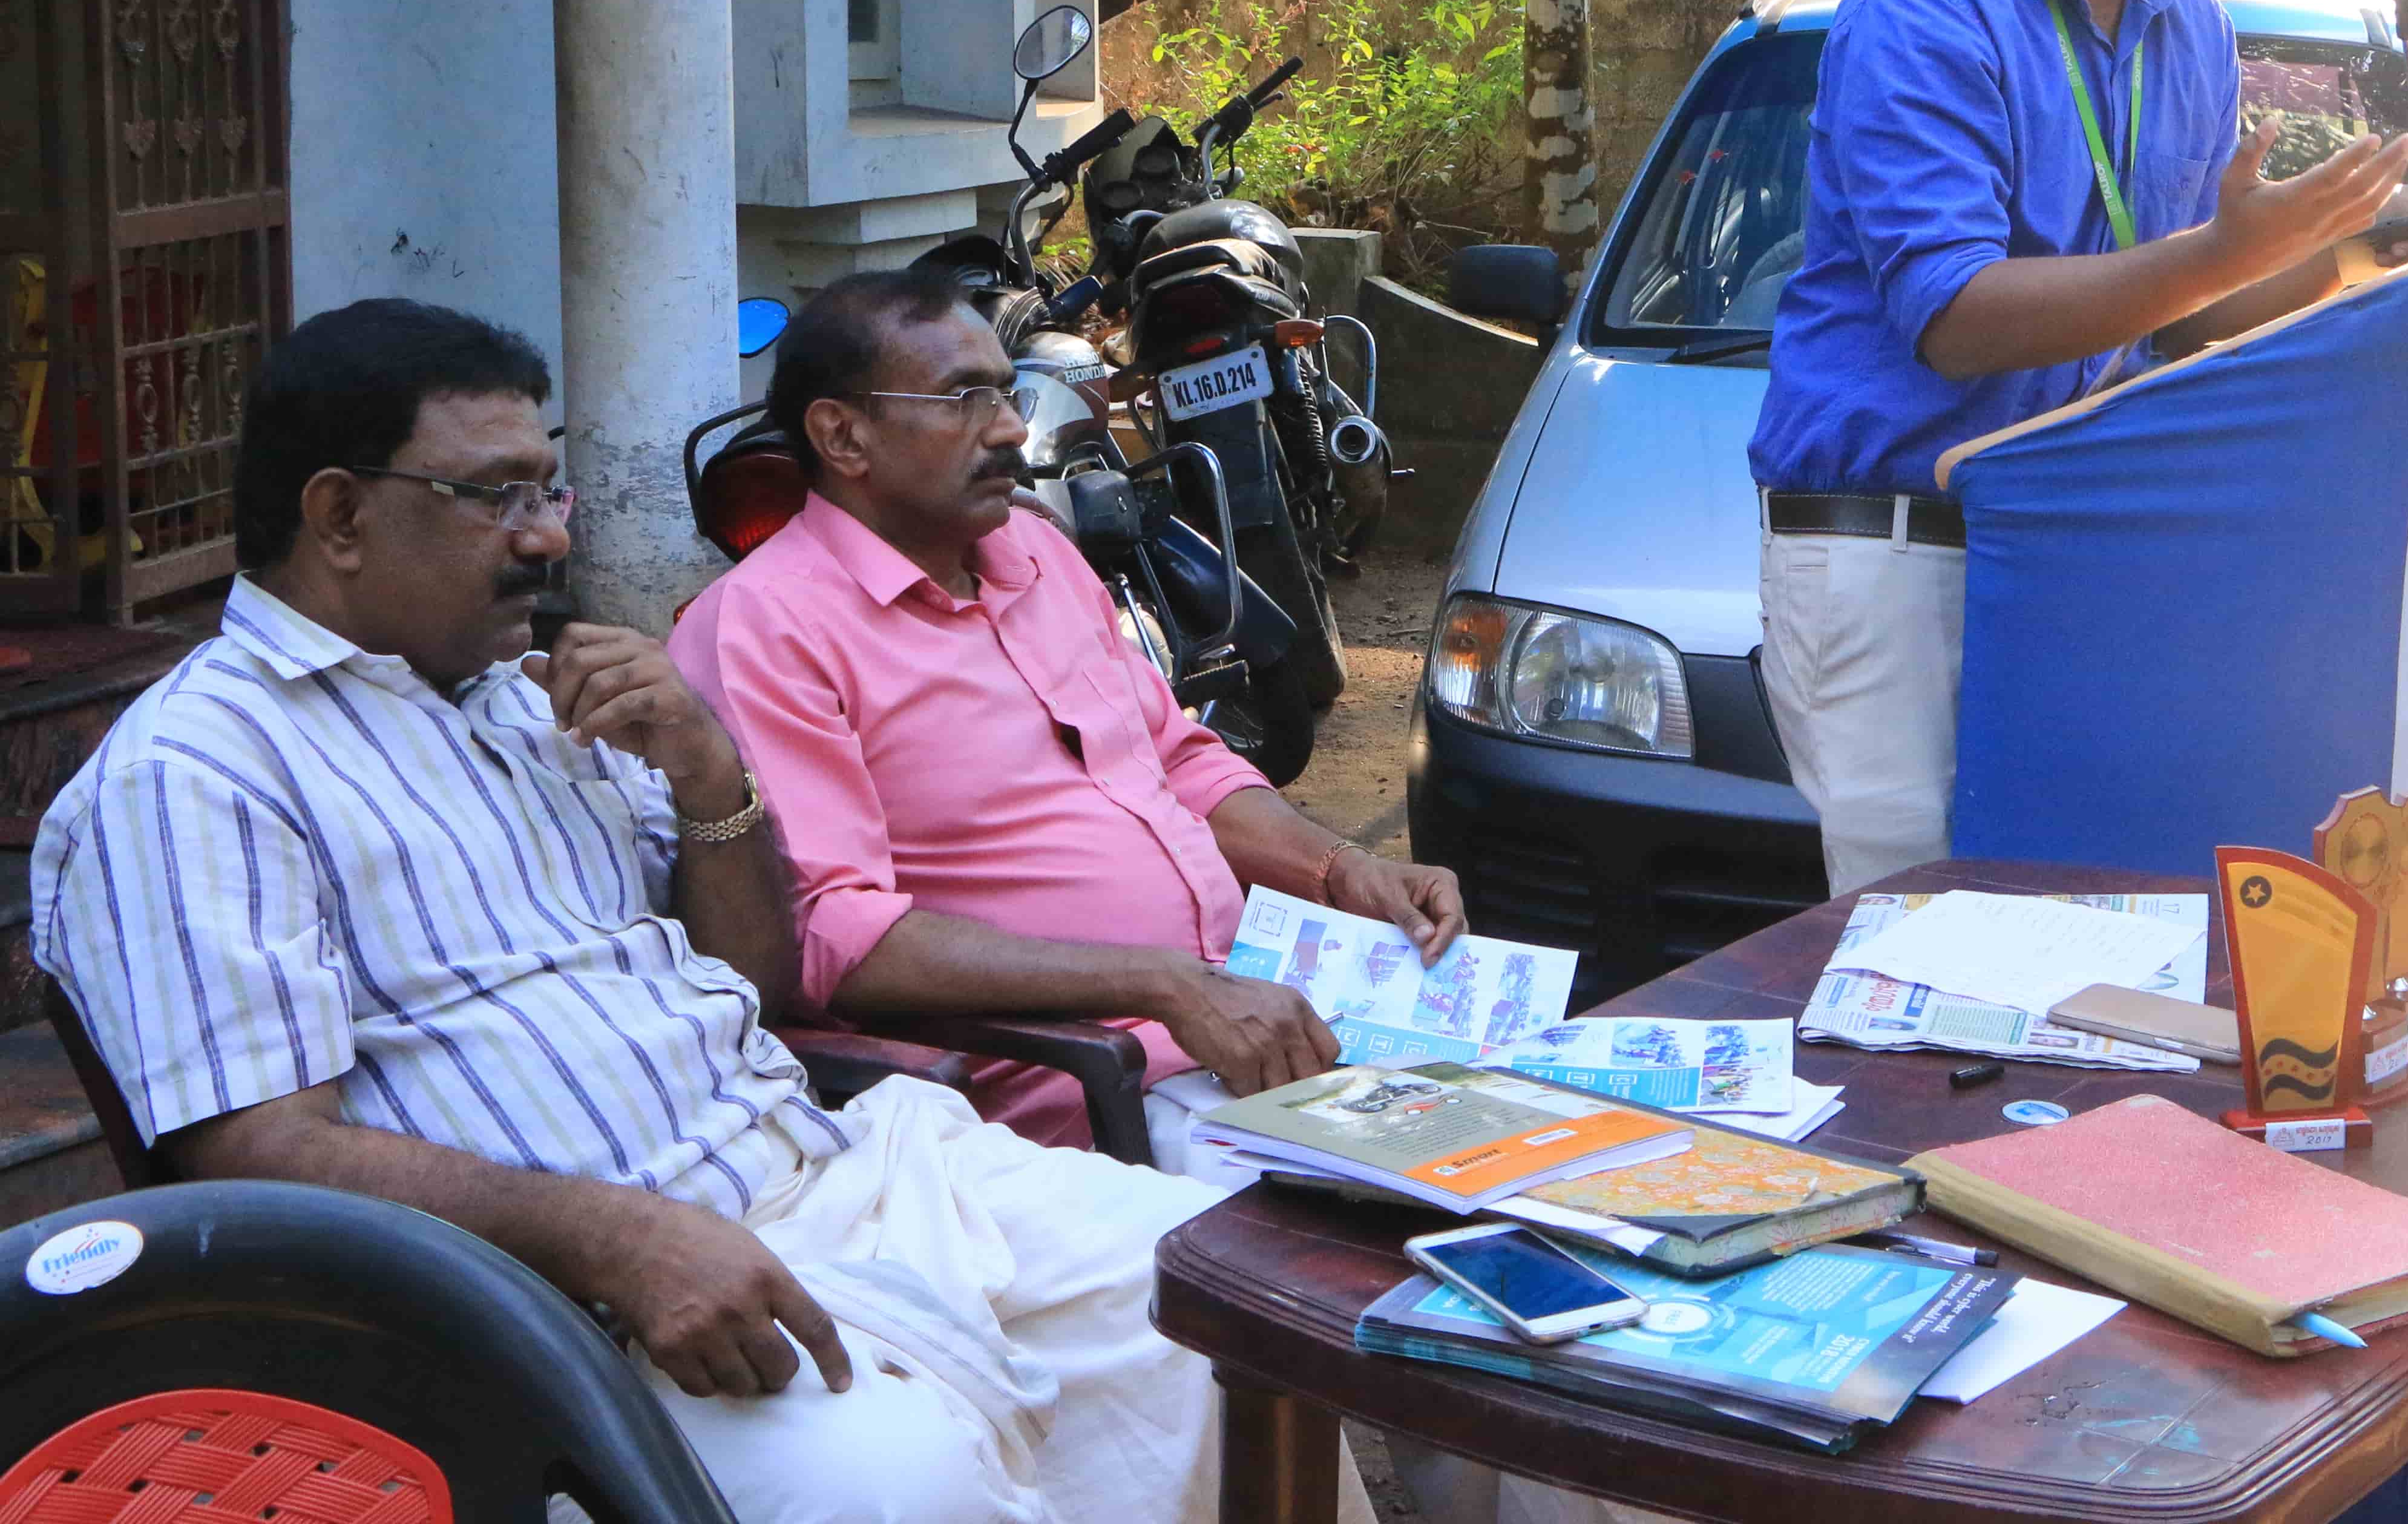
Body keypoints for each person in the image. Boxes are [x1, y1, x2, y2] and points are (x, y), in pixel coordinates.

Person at [34, 298, 1345, 1524]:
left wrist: (714, 780)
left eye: (545, 489)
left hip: (842, 1173)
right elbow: (255, 1150)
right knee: (903, 1481)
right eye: (494, 496)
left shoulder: (530, 700)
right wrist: (617, 1240)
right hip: (564, 1304)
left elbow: (758, 981)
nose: (548, 537)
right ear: (338, 516)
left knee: (1220, 1302)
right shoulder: (198, 773)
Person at [1747, 0, 2408, 898]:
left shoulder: (2189, 26)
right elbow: (1959, 319)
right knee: (1926, 940)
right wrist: (2224, 249)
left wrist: (2358, 236)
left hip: (2080, 542)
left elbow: (2189, 312)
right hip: (1898, 558)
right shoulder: (1926, 9)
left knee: (2075, 928)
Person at [669, 271, 1463, 1167]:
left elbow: (1178, 760)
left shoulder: (1034, 549)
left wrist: (1342, 868)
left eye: (1005, 393)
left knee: (1537, 1144)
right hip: (1094, 1092)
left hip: (1251, 1018)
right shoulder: (768, 628)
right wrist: (1163, 986)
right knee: (1431, 1203)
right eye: (964, 400)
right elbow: (835, 937)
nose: (1009, 428)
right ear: (842, 436)